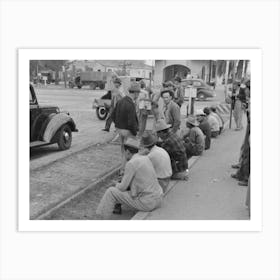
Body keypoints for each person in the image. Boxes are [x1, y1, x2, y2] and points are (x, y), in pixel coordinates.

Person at [96, 138, 163, 219]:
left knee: (111, 192)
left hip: (148, 203)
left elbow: (122, 187)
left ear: (127, 152)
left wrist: (115, 184)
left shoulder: (131, 163)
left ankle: (100, 219)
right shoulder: (145, 158)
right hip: (158, 198)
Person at [111, 82, 139, 170]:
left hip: (120, 130)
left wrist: (118, 125)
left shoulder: (120, 101)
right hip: (128, 131)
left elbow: (112, 115)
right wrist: (135, 133)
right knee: (131, 154)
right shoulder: (131, 104)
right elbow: (131, 122)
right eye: (138, 93)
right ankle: (127, 171)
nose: (138, 95)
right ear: (135, 93)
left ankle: (122, 170)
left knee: (123, 152)